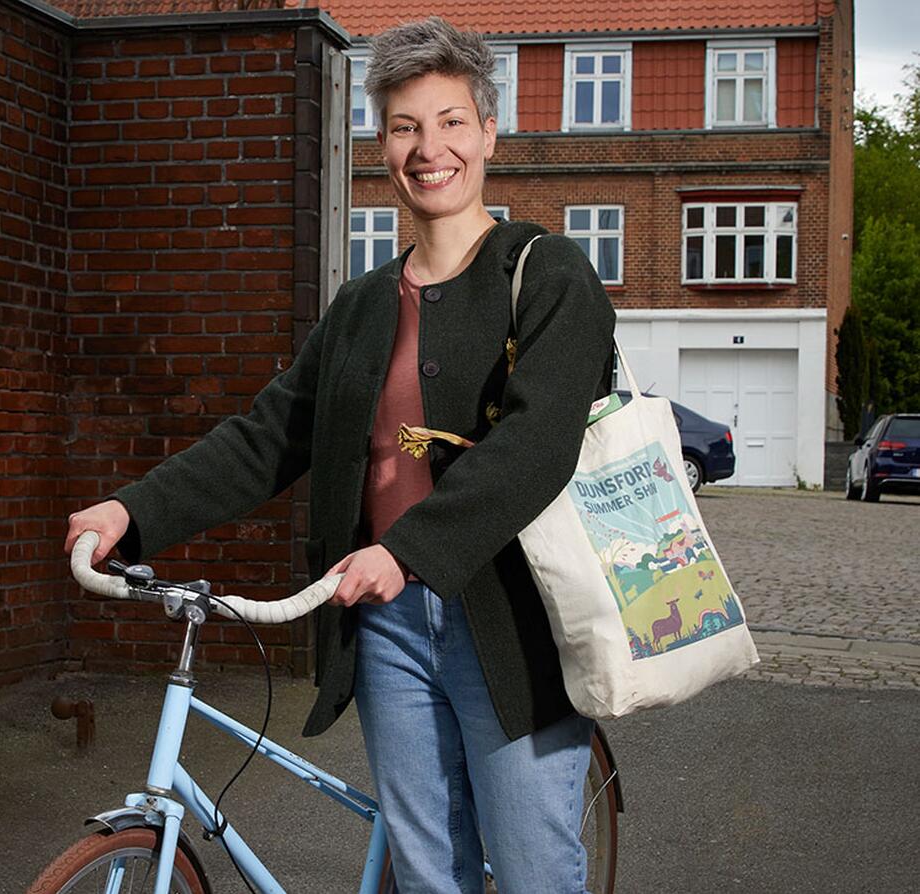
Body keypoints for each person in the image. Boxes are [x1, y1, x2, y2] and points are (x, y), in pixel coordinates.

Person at [65, 16, 615, 894]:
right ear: (381, 144)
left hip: (511, 629)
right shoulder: (360, 306)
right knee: (429, 874)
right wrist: (134, 511)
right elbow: (267, 436)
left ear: (489, 134)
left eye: (450, 121)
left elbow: (537, 442)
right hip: (387, 631)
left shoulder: (547, 274)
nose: (428, 148)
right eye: (404, 126)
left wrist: (406, 552)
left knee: (532, 869)